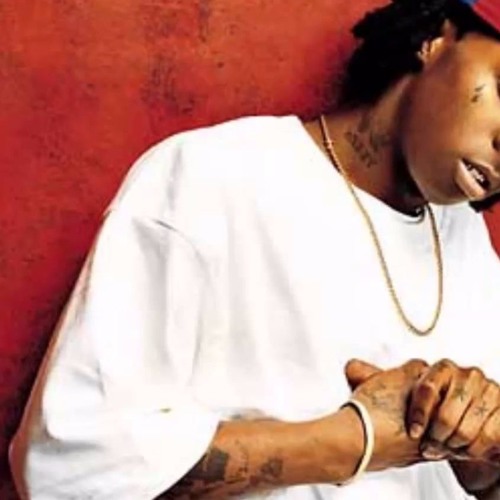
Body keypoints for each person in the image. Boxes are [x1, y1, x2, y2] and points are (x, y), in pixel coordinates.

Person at [9, 0, 500, 498]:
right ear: (435, 39)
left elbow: (482, 473)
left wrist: (483, 460)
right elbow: (64, 463)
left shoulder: (468, 243)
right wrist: (356, 440)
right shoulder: (212, 179)